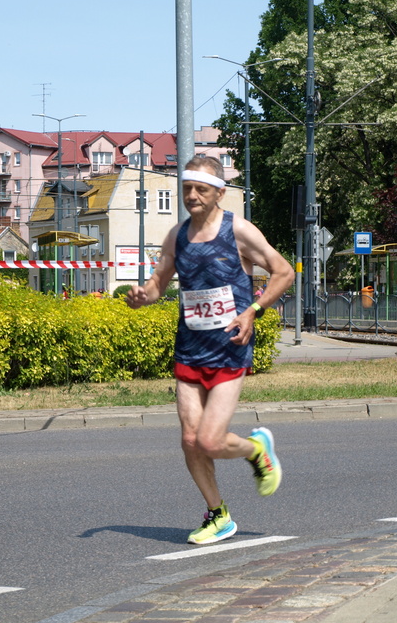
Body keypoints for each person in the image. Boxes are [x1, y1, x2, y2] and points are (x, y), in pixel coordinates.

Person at [126, 156, 294, 545]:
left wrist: (253, 310)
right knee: (189, 439)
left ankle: (257, 449)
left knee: (211, 441)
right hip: (190, 347)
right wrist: (142, 296)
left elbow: (283, 271)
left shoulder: (239, 230)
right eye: (187, 188)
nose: (192, 196)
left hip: (229, 349)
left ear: (220, 192)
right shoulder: (177, 236)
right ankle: (217, 514)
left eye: (201, 189)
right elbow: (157, 284)